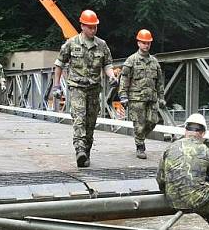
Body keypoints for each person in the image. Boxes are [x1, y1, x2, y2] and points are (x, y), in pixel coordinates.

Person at [52, 9, 116, 167]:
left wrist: (111, 76)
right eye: (90, 27)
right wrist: (56, 85)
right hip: (77, 87)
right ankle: (79, 149)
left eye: (95, 27)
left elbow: (107, 64)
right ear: (82, 26)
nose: (93, 29)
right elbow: (59, 64)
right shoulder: (71, 43)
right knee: (79, 119)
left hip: (94, 88)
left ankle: (86, 151)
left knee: (90, 122)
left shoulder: (102, 45)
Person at [119, 29, 166, 159]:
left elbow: (159, 82)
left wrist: (161, 98)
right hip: (136, 98)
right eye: (144, 42)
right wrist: (123, 96)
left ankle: (139, 137)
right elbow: (124, 79)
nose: (146, 45)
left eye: (148, 43)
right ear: (138, 43)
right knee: (139, 124)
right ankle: (140, 146)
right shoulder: (131, 60)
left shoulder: (155, 62)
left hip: (151, 98)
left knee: (153, 121)